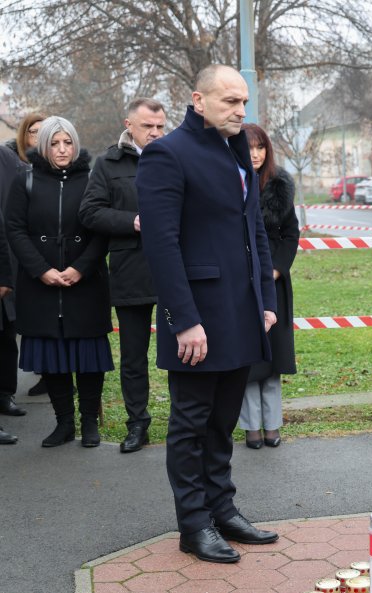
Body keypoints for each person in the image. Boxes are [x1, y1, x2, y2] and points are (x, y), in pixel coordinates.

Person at [136, 64, 279, 563]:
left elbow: (253, 231)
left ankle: (223, 509)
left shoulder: (236, 149)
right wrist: (184, 318)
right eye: (229, 102)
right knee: (191, 423)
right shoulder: (166, 153)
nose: (241, 111)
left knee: (222, 422)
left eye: (244, 102)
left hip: (241, 312)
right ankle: (194, 524)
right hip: (198, 316)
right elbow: (161, 244)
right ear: (199, 100)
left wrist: (266, 300)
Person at [5, 116, 113, 447]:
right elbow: (15, 229)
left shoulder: (93, 179)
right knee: (54, 360)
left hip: (86, 283)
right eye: (54, 143)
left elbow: (100, 228)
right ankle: (64, 423)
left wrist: (81, 267)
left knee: (88, 359)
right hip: (41, 286)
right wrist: (41, 269)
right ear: (42, 146)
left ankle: (89, 424)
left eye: (67, 142)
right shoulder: (26, 180)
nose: (62, 149)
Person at [79, 98, 166, 453]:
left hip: (178, 270)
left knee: (187, 351)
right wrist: (131, 221)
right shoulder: (108, 163)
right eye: (148, 126)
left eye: (161, 126)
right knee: (133, 356)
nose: (156, 133)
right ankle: (138, 424)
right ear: (128, 124)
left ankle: (190, 424)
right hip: (131, 270)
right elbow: (90, 212)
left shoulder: (176, 157)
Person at [239, 123, 298, 449]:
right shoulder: (230, 184)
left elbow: (291, 234)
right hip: (240, 285)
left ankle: (272, 425)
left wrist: (276, 269)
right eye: (249, 147)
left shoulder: (280, 185)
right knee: (248, 360)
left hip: (274, 284)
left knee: (272, 360)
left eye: (260, 147)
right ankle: (250, 427)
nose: (256, 154)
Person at [8, 113, 51, 398]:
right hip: (16, 251)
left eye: (42, 131)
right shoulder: (12, 165)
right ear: (24, 135)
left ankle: (49, 374)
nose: (37, 137)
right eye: (33, 131)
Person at [0, 137, 23, 420]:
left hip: (6, 260)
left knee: (6, 336)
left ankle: (5, 394)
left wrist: (6, 275)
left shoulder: (7, 160)